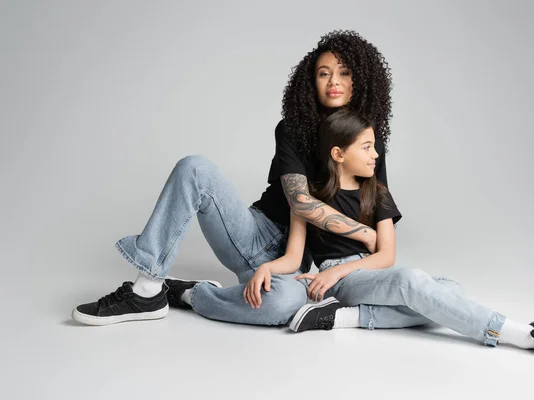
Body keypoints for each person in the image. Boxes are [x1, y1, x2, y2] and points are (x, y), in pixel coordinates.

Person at [71, 30, 394, 327]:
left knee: (283, 305)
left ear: (359, 81)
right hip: (255, 232)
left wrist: (359, 258)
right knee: (195, 168)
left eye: (344, 73)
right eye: (323, 73)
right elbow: (299, 201)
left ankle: (189, 293)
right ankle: (145, 290)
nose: (333, 81)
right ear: (311, 82)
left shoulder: (368, 143)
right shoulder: (293, 129)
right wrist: (361, 232)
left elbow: (376, 206)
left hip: (294, 258)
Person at [255, 108, 534, 360]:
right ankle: (525, 335)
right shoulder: (309, 200)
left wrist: (347, 271)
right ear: (338, 154)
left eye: (376, 147)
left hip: (372, 271)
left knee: (448, 291)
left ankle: (345, 318)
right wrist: (267, 268)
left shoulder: (378, 193)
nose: (376, 155)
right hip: (341, 280)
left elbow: (386, 256)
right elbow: (293, 258)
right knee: (416, 284)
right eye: (368, 147)